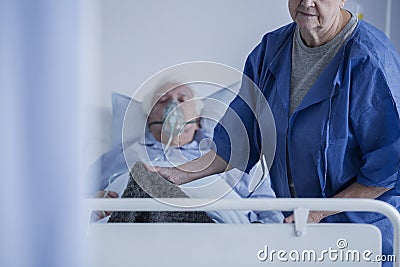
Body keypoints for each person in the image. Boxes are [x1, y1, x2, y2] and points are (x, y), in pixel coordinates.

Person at [147, 0, 400, 263]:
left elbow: (391, 165)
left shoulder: (370, 60)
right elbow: (238, 137)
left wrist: (317, 212)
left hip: (359, 233)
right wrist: (177, 173)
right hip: (298, 228)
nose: (306, 3)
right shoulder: (271, 51)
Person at [86, 82, 283, 224]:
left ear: (198, 118)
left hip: (213, 225)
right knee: (142, 178)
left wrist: (263, 234)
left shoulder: (228, 154)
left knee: (144, 177)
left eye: (182, 99)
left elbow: (267, 207)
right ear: (148, 116)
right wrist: (93, 203)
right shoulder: (119, 156)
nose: (173, 105)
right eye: (162, 100)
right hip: (132, 222)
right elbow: (76, 203)